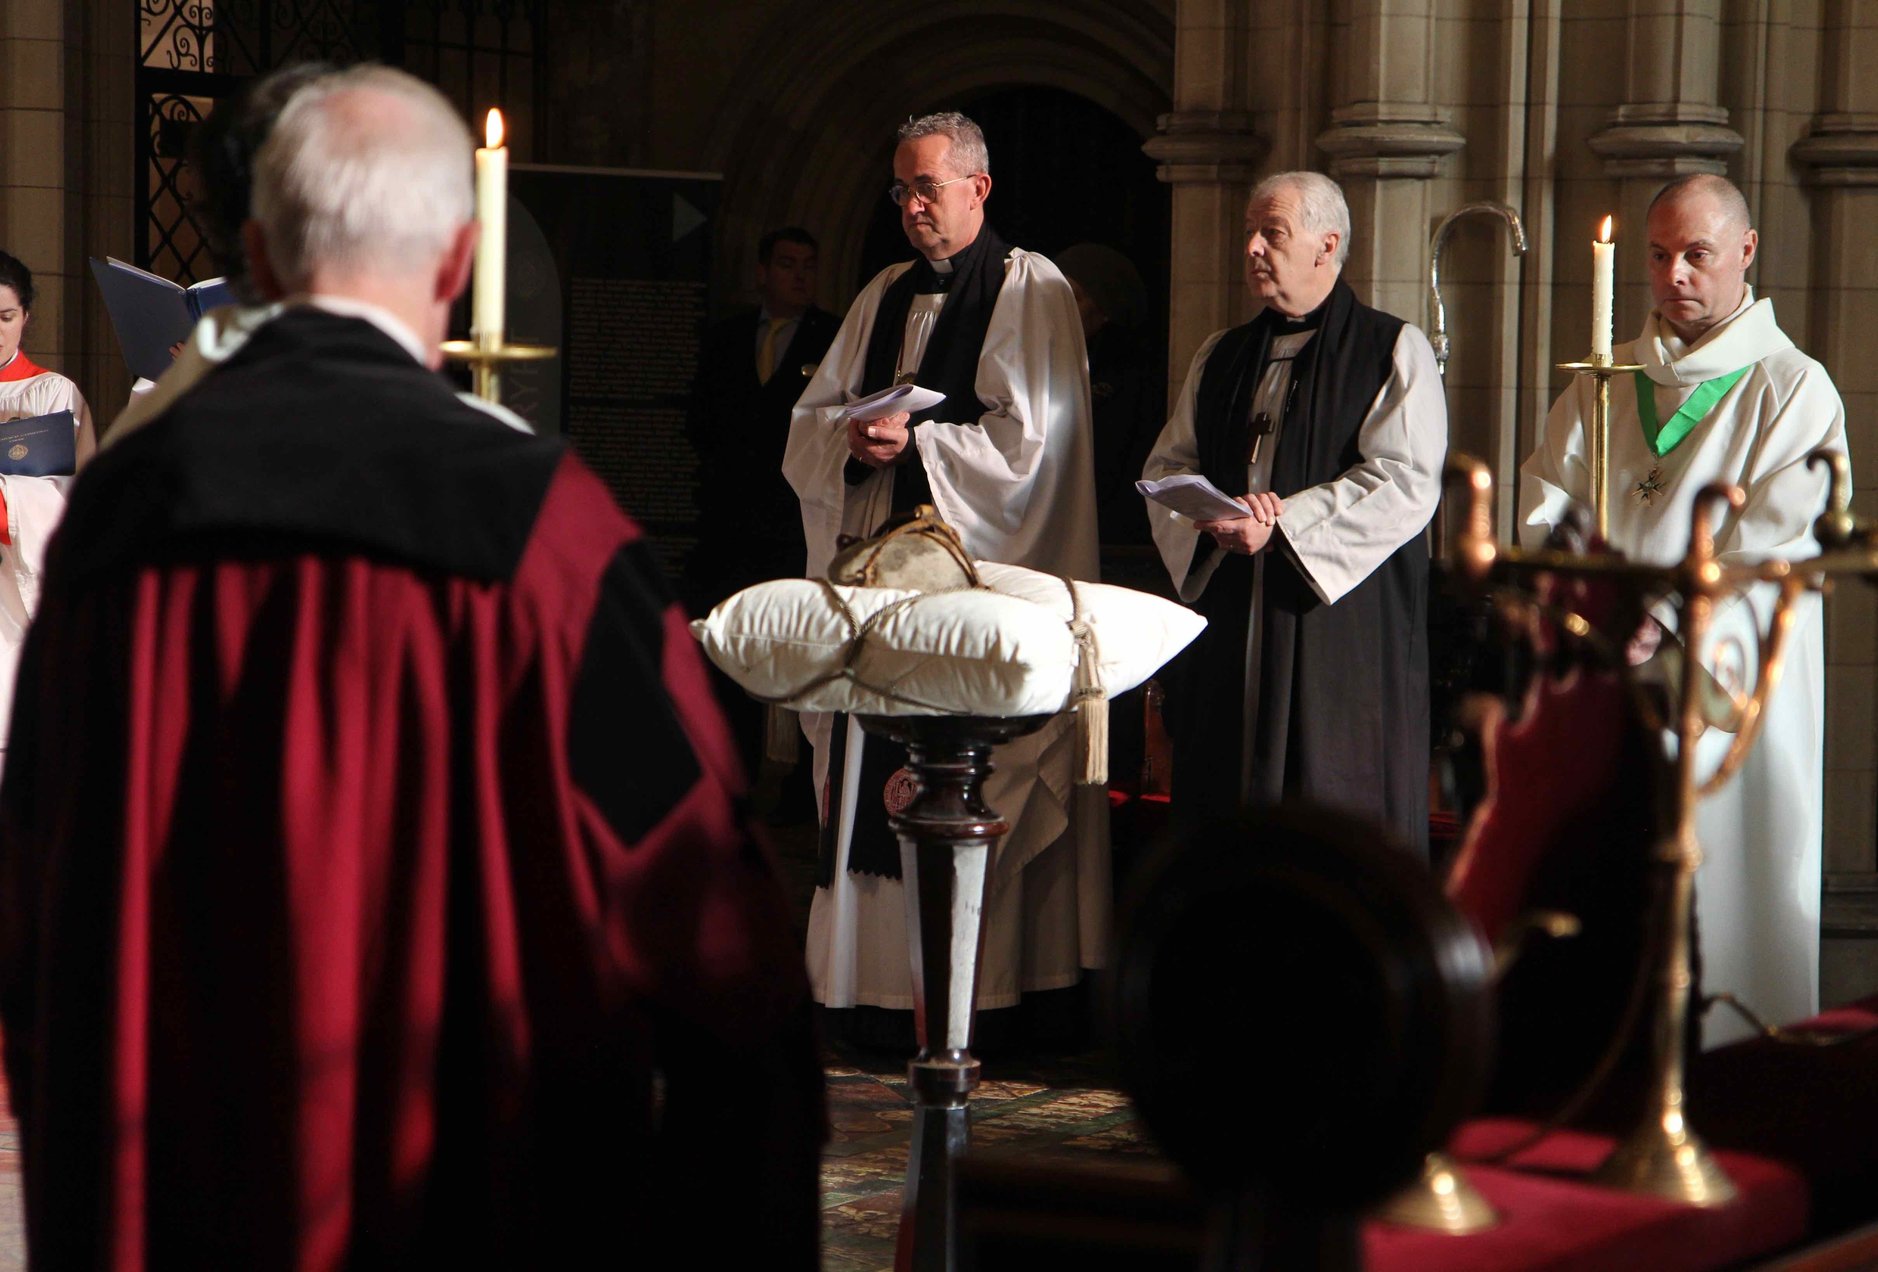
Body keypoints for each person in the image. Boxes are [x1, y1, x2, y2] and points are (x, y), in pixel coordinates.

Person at [0, 65, 823, 1266]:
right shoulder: (547, 535)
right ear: (457, 264)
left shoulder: (118, 519)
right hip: (457, 1203)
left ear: (257, 262)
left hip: (181, 1196)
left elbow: (39, 894)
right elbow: (703, 920)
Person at [783, 110, 1103, 1042]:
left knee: (974, 767)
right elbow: (807, 423)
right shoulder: (882, 290)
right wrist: (848, 437)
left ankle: (980, 995)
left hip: (970, 581)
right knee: (861, 767)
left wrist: (913, 443)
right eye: (901, 190)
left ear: (980, 189)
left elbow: (1031, 447)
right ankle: (867, 990)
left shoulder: (1028, 286)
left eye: (929, 187)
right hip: (880, 578)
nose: (913, 207)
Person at [1519, 172, 1846, 1046]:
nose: (1675, 277)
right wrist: (1580, 593)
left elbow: (1780, 549)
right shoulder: (1608, 378)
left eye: (1696, 255)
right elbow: (1547, 495)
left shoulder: (1791, 388)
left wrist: (1659, 615)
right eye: (1658, 257)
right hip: (1602, 672)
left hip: (1712, 685)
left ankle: (1724, 1083)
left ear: (1745, 250)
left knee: (1714, 900)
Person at [1141, 171, 1447, 855]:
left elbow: (1405, 480)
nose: (1251, 245)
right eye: (1251, 231)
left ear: (1325, 244)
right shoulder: (1221, 356)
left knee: (1327, 818)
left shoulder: (1392, 350)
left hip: (1335, 635)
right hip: (1228, 624)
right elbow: (1166, 469)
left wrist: (1284, 524)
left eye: (1271, 232)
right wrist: (1210, 517)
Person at [685, 228, 838, 812]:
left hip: (793, 522)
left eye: (808, 266)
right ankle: (732, 778)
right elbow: (700, 419)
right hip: (727, 524)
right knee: (728, 646)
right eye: (788, 264)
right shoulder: (725, 339)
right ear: (762, 272)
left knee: (800, 647)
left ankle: (804, 789)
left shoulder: (832, 336)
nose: (799, 276)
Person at [0, 251, 96, 773]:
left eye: (5, 317)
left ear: (26, 317)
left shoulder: (51, 392)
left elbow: (70, 500)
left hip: (13, 592)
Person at [1055, 242, 1162, 548]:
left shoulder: (1130, 372)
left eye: (1072, 298)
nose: (1059, 308)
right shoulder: (1041, 357)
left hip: (1112, 535)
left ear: (1104, 310)